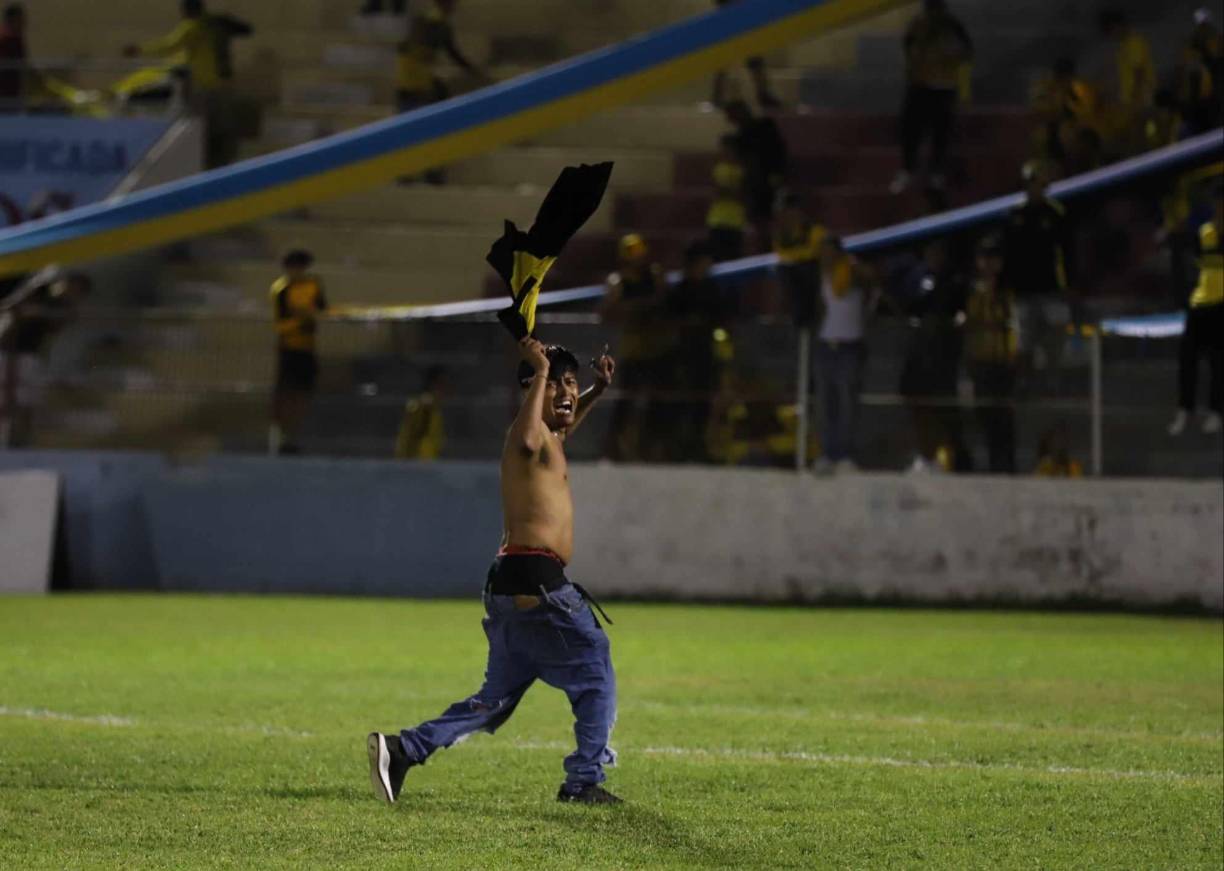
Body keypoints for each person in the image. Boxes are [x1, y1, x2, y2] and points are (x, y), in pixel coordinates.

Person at [367, 339, 622, 806]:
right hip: (539, 584)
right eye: (556, 384)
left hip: (512, 583)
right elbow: (528, 435)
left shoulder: (551, 437)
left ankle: (403, 750)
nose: (567, 391)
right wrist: (540, 370)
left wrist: (596, 391)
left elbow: (560, 424)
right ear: (532, 389)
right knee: (595, 671)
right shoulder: (527, 435)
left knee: (494, 701)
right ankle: (583, 782)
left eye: (571, 382)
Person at [123, 0, 252, 166]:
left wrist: (139, 49)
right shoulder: (213, 24)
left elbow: (169, 45)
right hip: (221, 83)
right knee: (220, 125)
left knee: (198, 126)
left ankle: (202, 161)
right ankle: (223, 160)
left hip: (202, 85)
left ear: (188, 10)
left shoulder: (192, 27)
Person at [893, 239, 969, 473]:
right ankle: (924, 455)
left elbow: (960, 313)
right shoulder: (916, 278)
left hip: (943, 355)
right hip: (919, 352)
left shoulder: (955, 281)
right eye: (930, 252)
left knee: (943, 409)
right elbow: (907, 307)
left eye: (938, 252)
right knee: (918, 405)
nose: (934, 256)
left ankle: (947, 457)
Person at [890, 0, 973, 195]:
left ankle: (936, 173)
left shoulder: (953, 27)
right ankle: (908, 170)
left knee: (941, 133)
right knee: (910, 130)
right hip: (919, 86)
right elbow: (908, 50)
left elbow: (965, 54)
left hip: (944, 87)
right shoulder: (918, 25)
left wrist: (963, 89)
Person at [0, 271, 91, 448]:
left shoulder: (61, 306)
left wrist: (38, 312)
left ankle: (21, 444)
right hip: (6, 352)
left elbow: (59, 322)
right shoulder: (38, 291)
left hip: (29, 355)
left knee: (25, 402)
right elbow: (13, 307)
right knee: (5, 399)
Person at [1002, 160, 1075, 374]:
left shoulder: (1055, 213)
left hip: (1050, 288)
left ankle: (1053, 380)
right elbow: (1008, 255)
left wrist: (1069, 284)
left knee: (1055, 337)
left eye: (1039, 183)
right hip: (1022, 290)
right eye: (1030, 183)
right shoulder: (1013, 215)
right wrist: (1007, 286)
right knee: (1023, 342)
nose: (1034, 188)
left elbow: (1067, 253)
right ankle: (1025, 382)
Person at [600, 233, 665, 461]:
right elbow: (607, 312)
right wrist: (636, 308)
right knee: (625, 403)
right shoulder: (618, 281)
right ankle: (614, 450)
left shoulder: (654, 276)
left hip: (656, 347)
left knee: (656, 402)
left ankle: (649, 449)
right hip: (633, 348)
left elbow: (663, 301)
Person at [812, 236, 875, 473]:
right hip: (826, 344)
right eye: (823, 252)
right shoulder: (819, 276)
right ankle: (828, 452)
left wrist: (853, 266)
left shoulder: (852, 272)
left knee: (848, 403)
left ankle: (846, 454)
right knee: (825, 403)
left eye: (829, 251)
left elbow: (872, 282)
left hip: (849, 345)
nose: (826, 256)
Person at [663, 241, 725, 462]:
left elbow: (721, 316)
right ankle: (677, 449)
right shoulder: (680, 290)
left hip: (704, 353)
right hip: (681, 354)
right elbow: (668, 319)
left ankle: (699, 447)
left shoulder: (711, 289)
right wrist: (688, 323)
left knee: (703, 403)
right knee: (680, 403)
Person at [1169, 185, 1223, 437]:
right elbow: (1190, 263)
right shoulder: (1204, 233)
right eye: (1218, 204)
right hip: (1201, 303)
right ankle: (1185, 409)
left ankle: (1216, 411)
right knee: (1187, 357)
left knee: (1218, 360)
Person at [963, 236, 1018, 474]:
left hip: (1003, 363)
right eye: (984, 258)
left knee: (1005, 418)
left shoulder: (1007, 292)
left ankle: (1006, 465)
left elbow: (1013, 324)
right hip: (980, 362)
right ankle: (991, 464)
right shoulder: (972, 291)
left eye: (993, 258)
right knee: (984, 416)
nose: (988, 264)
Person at [269, 250, 327, 456]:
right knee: (286, 394)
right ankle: (281, 437)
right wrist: (301, 320)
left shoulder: (313, 286)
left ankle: (294, 436)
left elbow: (322, 310)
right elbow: (280, 323)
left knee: (303, 394)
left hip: (307, 349)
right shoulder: (281, 289)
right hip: (289, 349)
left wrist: (310, 316)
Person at [723, 100, 788, 249]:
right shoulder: (739, 138)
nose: (730, 119)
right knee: (759, 221)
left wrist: (777, 173)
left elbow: (778, 150)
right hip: (753, 184)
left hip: (770, 181)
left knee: (773, 217)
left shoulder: (766, 125)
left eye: (732, 115)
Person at [1097, 8, 1155, 150]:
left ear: (1118, 25)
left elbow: (1139, 73)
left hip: (1141, 101)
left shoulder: (1133, 42)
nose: (1112, 36)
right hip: (1133, 102)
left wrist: (1135, 102)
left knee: (1145, 139)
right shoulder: (1123, 47)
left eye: (1111, 30)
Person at [773, 191, 828, 330]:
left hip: (814, 281)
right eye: (782, 212)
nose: (784, 215)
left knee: (806, 268)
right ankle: (792, 319)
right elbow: (783, 257)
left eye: (787, 210)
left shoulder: (815, 231)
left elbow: (821, 256)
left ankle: (809, 319)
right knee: (784, 270)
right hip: (794, 282)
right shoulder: (781, 235)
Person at [710, 0, 780, 109]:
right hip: (732, 18)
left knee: (753, 59)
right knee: (727, 61)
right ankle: (718, 97)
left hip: (741, 18)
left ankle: (762, 93)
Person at [705, 135, 748, 263]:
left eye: (728, 150)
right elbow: (716, 192)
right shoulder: (718, 169)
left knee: (733, 260)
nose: (724, 153)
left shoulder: (743, 171)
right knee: (716, 258)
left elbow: (743, 195)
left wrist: (728, 192)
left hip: (735, 222)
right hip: (717, 220)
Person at [394, 366, 447, 460]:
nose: (444, 389)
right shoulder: (424, 405)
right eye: (442, 384)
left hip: (425, 458)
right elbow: (410, 433)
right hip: (419, 458)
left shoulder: (432, 405)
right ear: (433, 384)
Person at [0, 3, 26, 112]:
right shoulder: (5, 41)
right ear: (10, 20)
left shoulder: (17, 41)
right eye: (20, 20)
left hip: (13, 98)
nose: (23, 24)